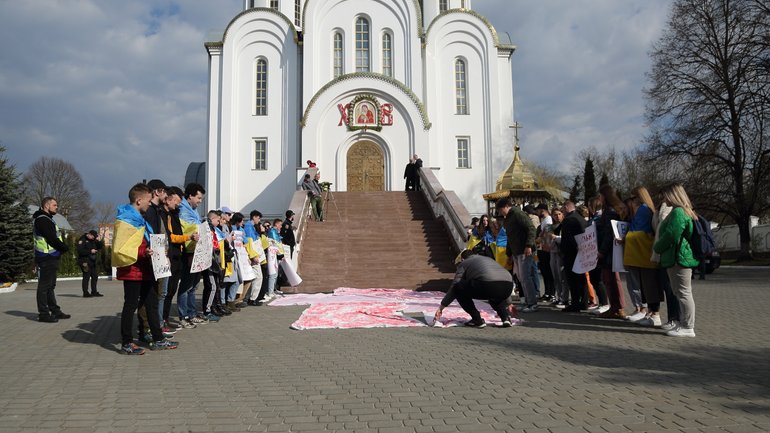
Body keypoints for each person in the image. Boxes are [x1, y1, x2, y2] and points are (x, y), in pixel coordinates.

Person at [113, 183, 177, 354]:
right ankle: (126, 343)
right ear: (139, 200)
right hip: (132, 270)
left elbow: (147, 240)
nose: (150, 204)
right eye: (148, 200)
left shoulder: (140, 219)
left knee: (152, 303)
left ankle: (158, 339)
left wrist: (158, 253)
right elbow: (123, 247)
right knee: (131, 305)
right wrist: (144, 251)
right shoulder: (125, 220)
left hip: (146, 268)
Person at [653, 183, 699, 337]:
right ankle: (682, 323)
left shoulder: (678, 212)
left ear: (673, 195)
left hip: (678, 257)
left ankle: (688, 326)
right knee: (680, 292)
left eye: (666, 195)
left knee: (684, 292)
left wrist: (658, 247)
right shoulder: (679, 211)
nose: (664, 199)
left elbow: (672, 235)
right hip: (676, 256)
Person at [433, 250, 514, 328]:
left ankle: (477, 319)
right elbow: (501, 279)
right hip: (508, 286)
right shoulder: (488, 259)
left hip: (487, 285)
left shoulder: (464, 263)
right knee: (495, 295)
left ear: (462, 259)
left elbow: (455, 285)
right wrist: (509, 302)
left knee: (459, 288)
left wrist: (441, 307)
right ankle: (505, 318)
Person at [624, 186, 663, 327]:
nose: (630, 202)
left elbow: (639, 232)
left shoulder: (643, 210)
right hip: (642, 255)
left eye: (632, 199)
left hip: (644, 254)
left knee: (649, 285)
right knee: (645, 285)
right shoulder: (644, 210)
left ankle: (654, 314)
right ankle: (651, 313)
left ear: (637, 198)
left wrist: (624, 238)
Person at [33, 197, 71, 323]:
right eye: (54, 205)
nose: (57, 207)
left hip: (51, 257)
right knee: (44, 287)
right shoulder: (43, 220)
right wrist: (65, 248)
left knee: (50, 286)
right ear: (46, 205)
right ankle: (43, 314)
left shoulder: (48, 219)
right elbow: (51, 239)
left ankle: (55, 311)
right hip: (46, 257)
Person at [496, 198, 538, 312]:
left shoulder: (518, 214)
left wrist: (529, 245)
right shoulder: (508, 219)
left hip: (525, 250)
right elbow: (510, 237)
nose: (500, 213)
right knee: (520, 278)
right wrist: (509, 254)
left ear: (506, 206)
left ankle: (532, 303)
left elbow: (531, 228)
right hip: (516, 251)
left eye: (500, 210)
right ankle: (527, 302)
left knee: (525, 277)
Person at [177, 182, 207, 328]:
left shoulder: (193, 210)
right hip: (188, 252)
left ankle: (192, 313)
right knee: (186, 286)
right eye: (199, 198)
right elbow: (187, 231)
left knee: (193, 286)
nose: (200, 201)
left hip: (197, 252)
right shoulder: (183, 210)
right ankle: (184, 316)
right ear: (190, 196)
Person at [560, 201, 588, 312]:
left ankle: (575, 303)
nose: (562, 211)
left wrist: (565, 250)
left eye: (562, 208)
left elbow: (568, 238)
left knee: (572, 279)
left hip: (571, 253)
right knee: (581, 279)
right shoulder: (580, 218)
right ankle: (584, 302)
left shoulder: (568, 220)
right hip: (582, 251)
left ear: (567, 207)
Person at [535, 204, 555, 302]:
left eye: (538, 211)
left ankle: (551, 294)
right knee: (544, 272)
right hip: (542, 248)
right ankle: (547, 292)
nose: (537, 213)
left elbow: (547, 233)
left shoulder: (548, 220)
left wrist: (541, 236)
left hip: (547, 249)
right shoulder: (544, 220)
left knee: (549, 272)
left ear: (542, 210)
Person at [77, 229, 104, 297]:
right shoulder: (82, 240)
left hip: (92, 261)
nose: (94, 238)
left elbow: (100, 246)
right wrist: (90, 251)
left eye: (95, 237)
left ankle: (94, 292)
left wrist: (99, 240)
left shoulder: (93, 240)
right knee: (86, 276)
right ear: (89, 234)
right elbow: (80, 251)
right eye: (93, 236)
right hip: (84, 261)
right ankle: (85, 293)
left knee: (95, 276)